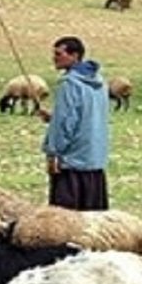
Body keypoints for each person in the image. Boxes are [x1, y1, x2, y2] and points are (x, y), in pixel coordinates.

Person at [37, 36, 110, 210]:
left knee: (67, 222)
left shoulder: (69, 84)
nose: (54, 58)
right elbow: (86, 114)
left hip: (72, 163)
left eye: (59, 54)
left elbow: (65, 124)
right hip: (95, 158)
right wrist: (54, 117)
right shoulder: (99, 82)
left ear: (74, 55)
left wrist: (53, 152)